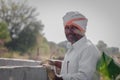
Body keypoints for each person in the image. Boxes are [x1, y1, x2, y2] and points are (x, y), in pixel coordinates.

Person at [48, 11, 100, 80]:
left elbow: (84, 77)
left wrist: (56, 78)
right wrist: (54, 62)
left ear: (82, 30)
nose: (69, 31)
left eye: (73, 28)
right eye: (66, 28)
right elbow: (71, 66)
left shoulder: (88, 49)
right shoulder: (72, 48)